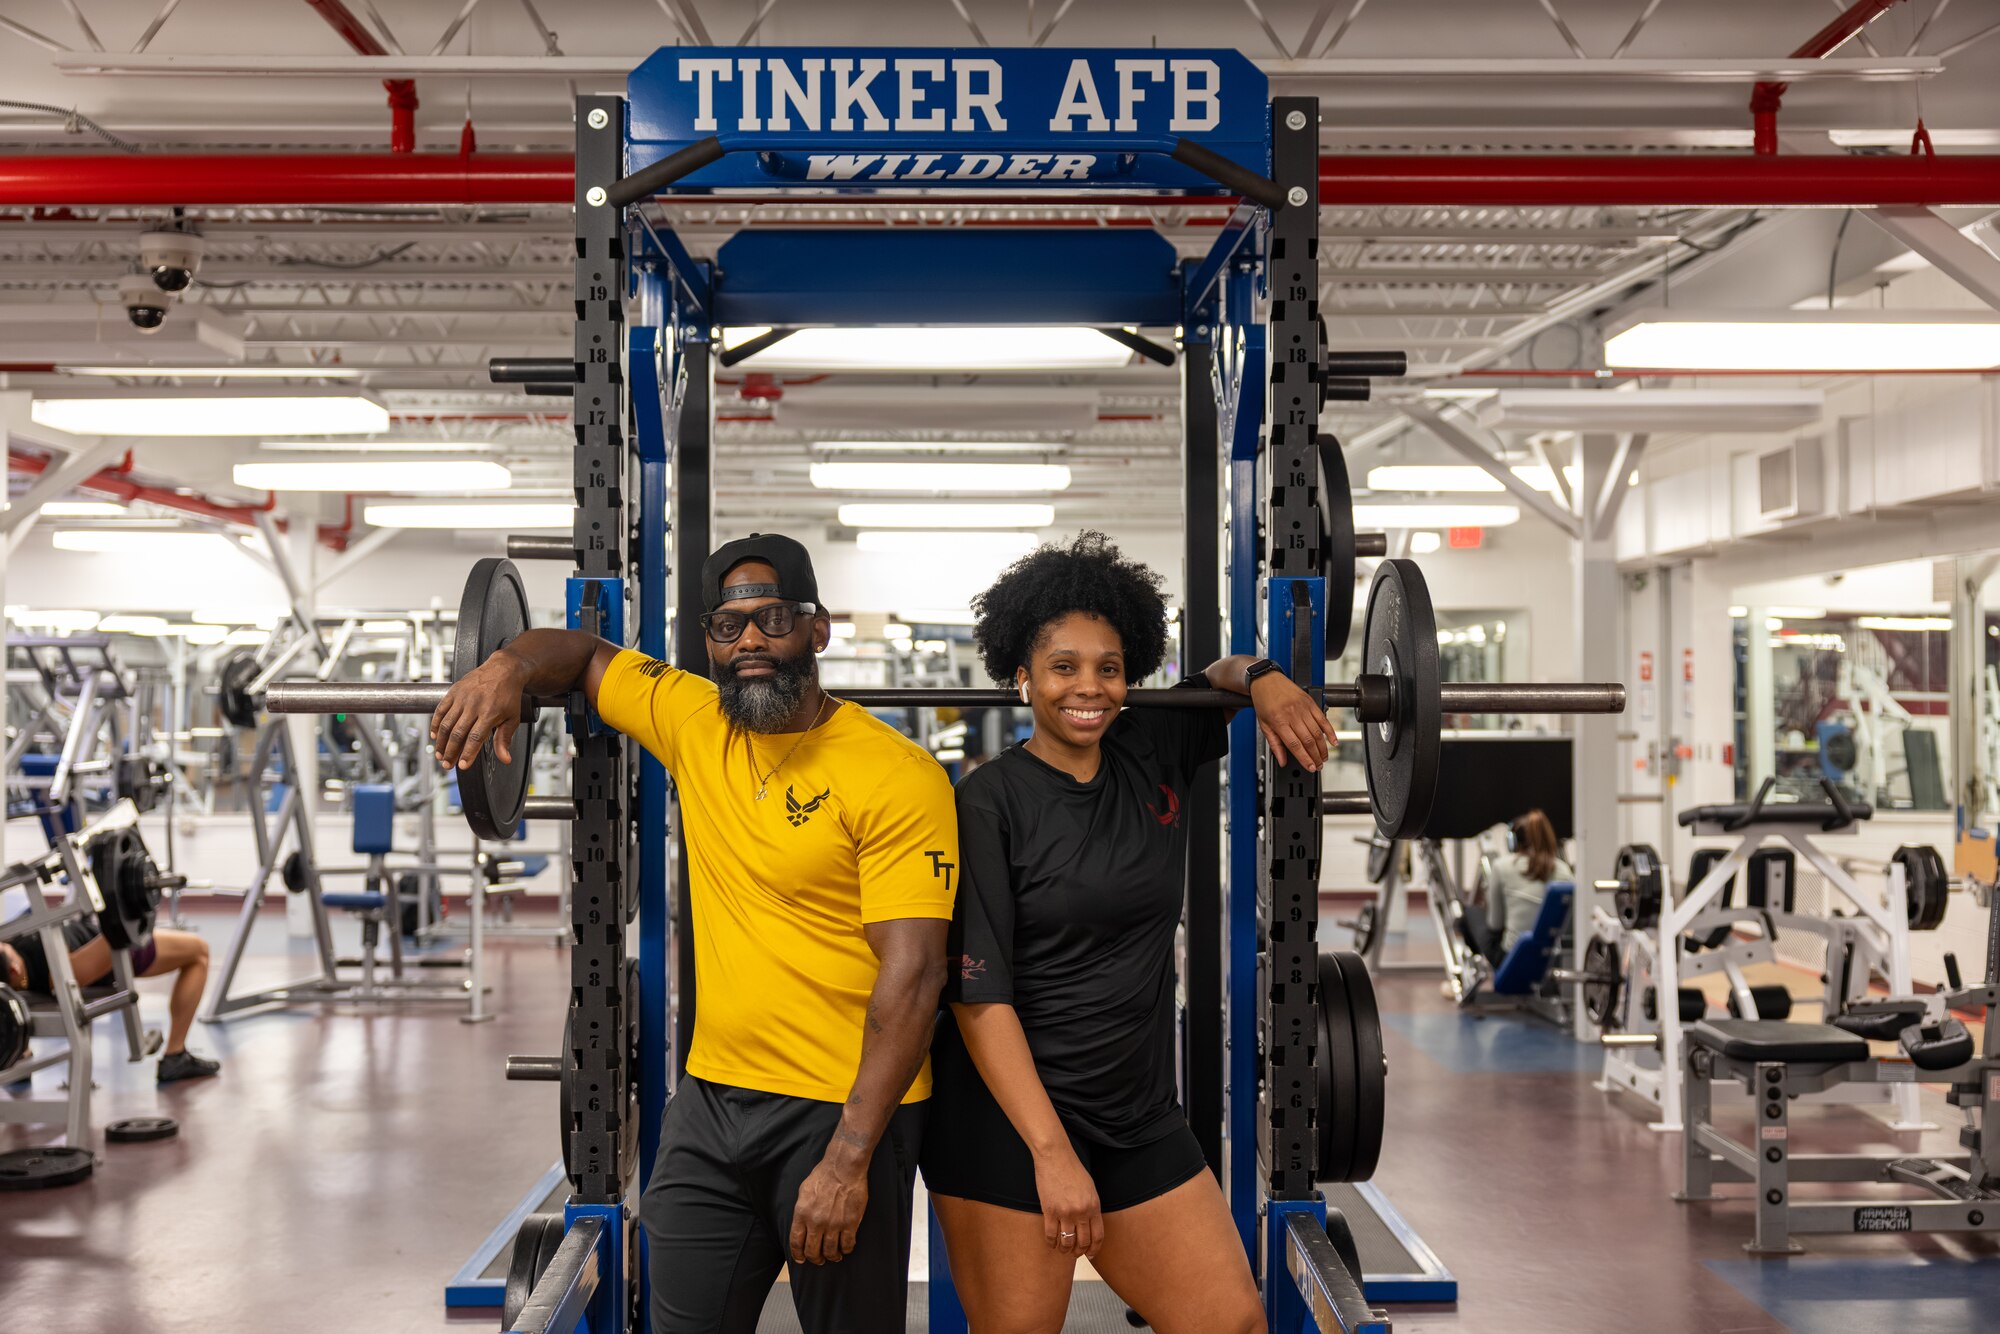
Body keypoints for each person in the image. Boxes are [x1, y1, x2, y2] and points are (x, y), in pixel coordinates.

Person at [431, 533, 955, 1334]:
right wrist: (504, 669)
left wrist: (850, 1157)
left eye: (773, 618)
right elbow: (580, 652)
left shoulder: (896, 774)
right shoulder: (692, 717)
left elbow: (915, 978)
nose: (749, 641)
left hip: (844, 1112)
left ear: (818, 630)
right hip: (712, 1106)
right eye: (726, 625)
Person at [921, 531, 1338, 1334]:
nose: (1090, 687)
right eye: (1064, 667)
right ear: (1022, 678)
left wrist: (1265, 679)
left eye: (1109, 668)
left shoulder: (1152, 749)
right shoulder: (989, 802)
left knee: (1233, 1322)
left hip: (1138, 1115)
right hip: (1011, 1125)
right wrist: (1052, 1154)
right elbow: (979, 996)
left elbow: (1215, 678)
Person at [0, 917, 219, 1084]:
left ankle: (21, 1054)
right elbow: (113, 940)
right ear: (14, 968)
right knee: (199, 951)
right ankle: (175, 1054)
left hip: (89, 935)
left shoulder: (14, 957)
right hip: (117, 954)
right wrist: (130, 910)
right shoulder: (59, 972)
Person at [1481, 809, 1572, 958]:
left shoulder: (1501, 866)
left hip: (1513, 955)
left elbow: (1495, 924)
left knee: (1473, 916)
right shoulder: (1564, 870)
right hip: (1551, 956)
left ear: (1514, 842)